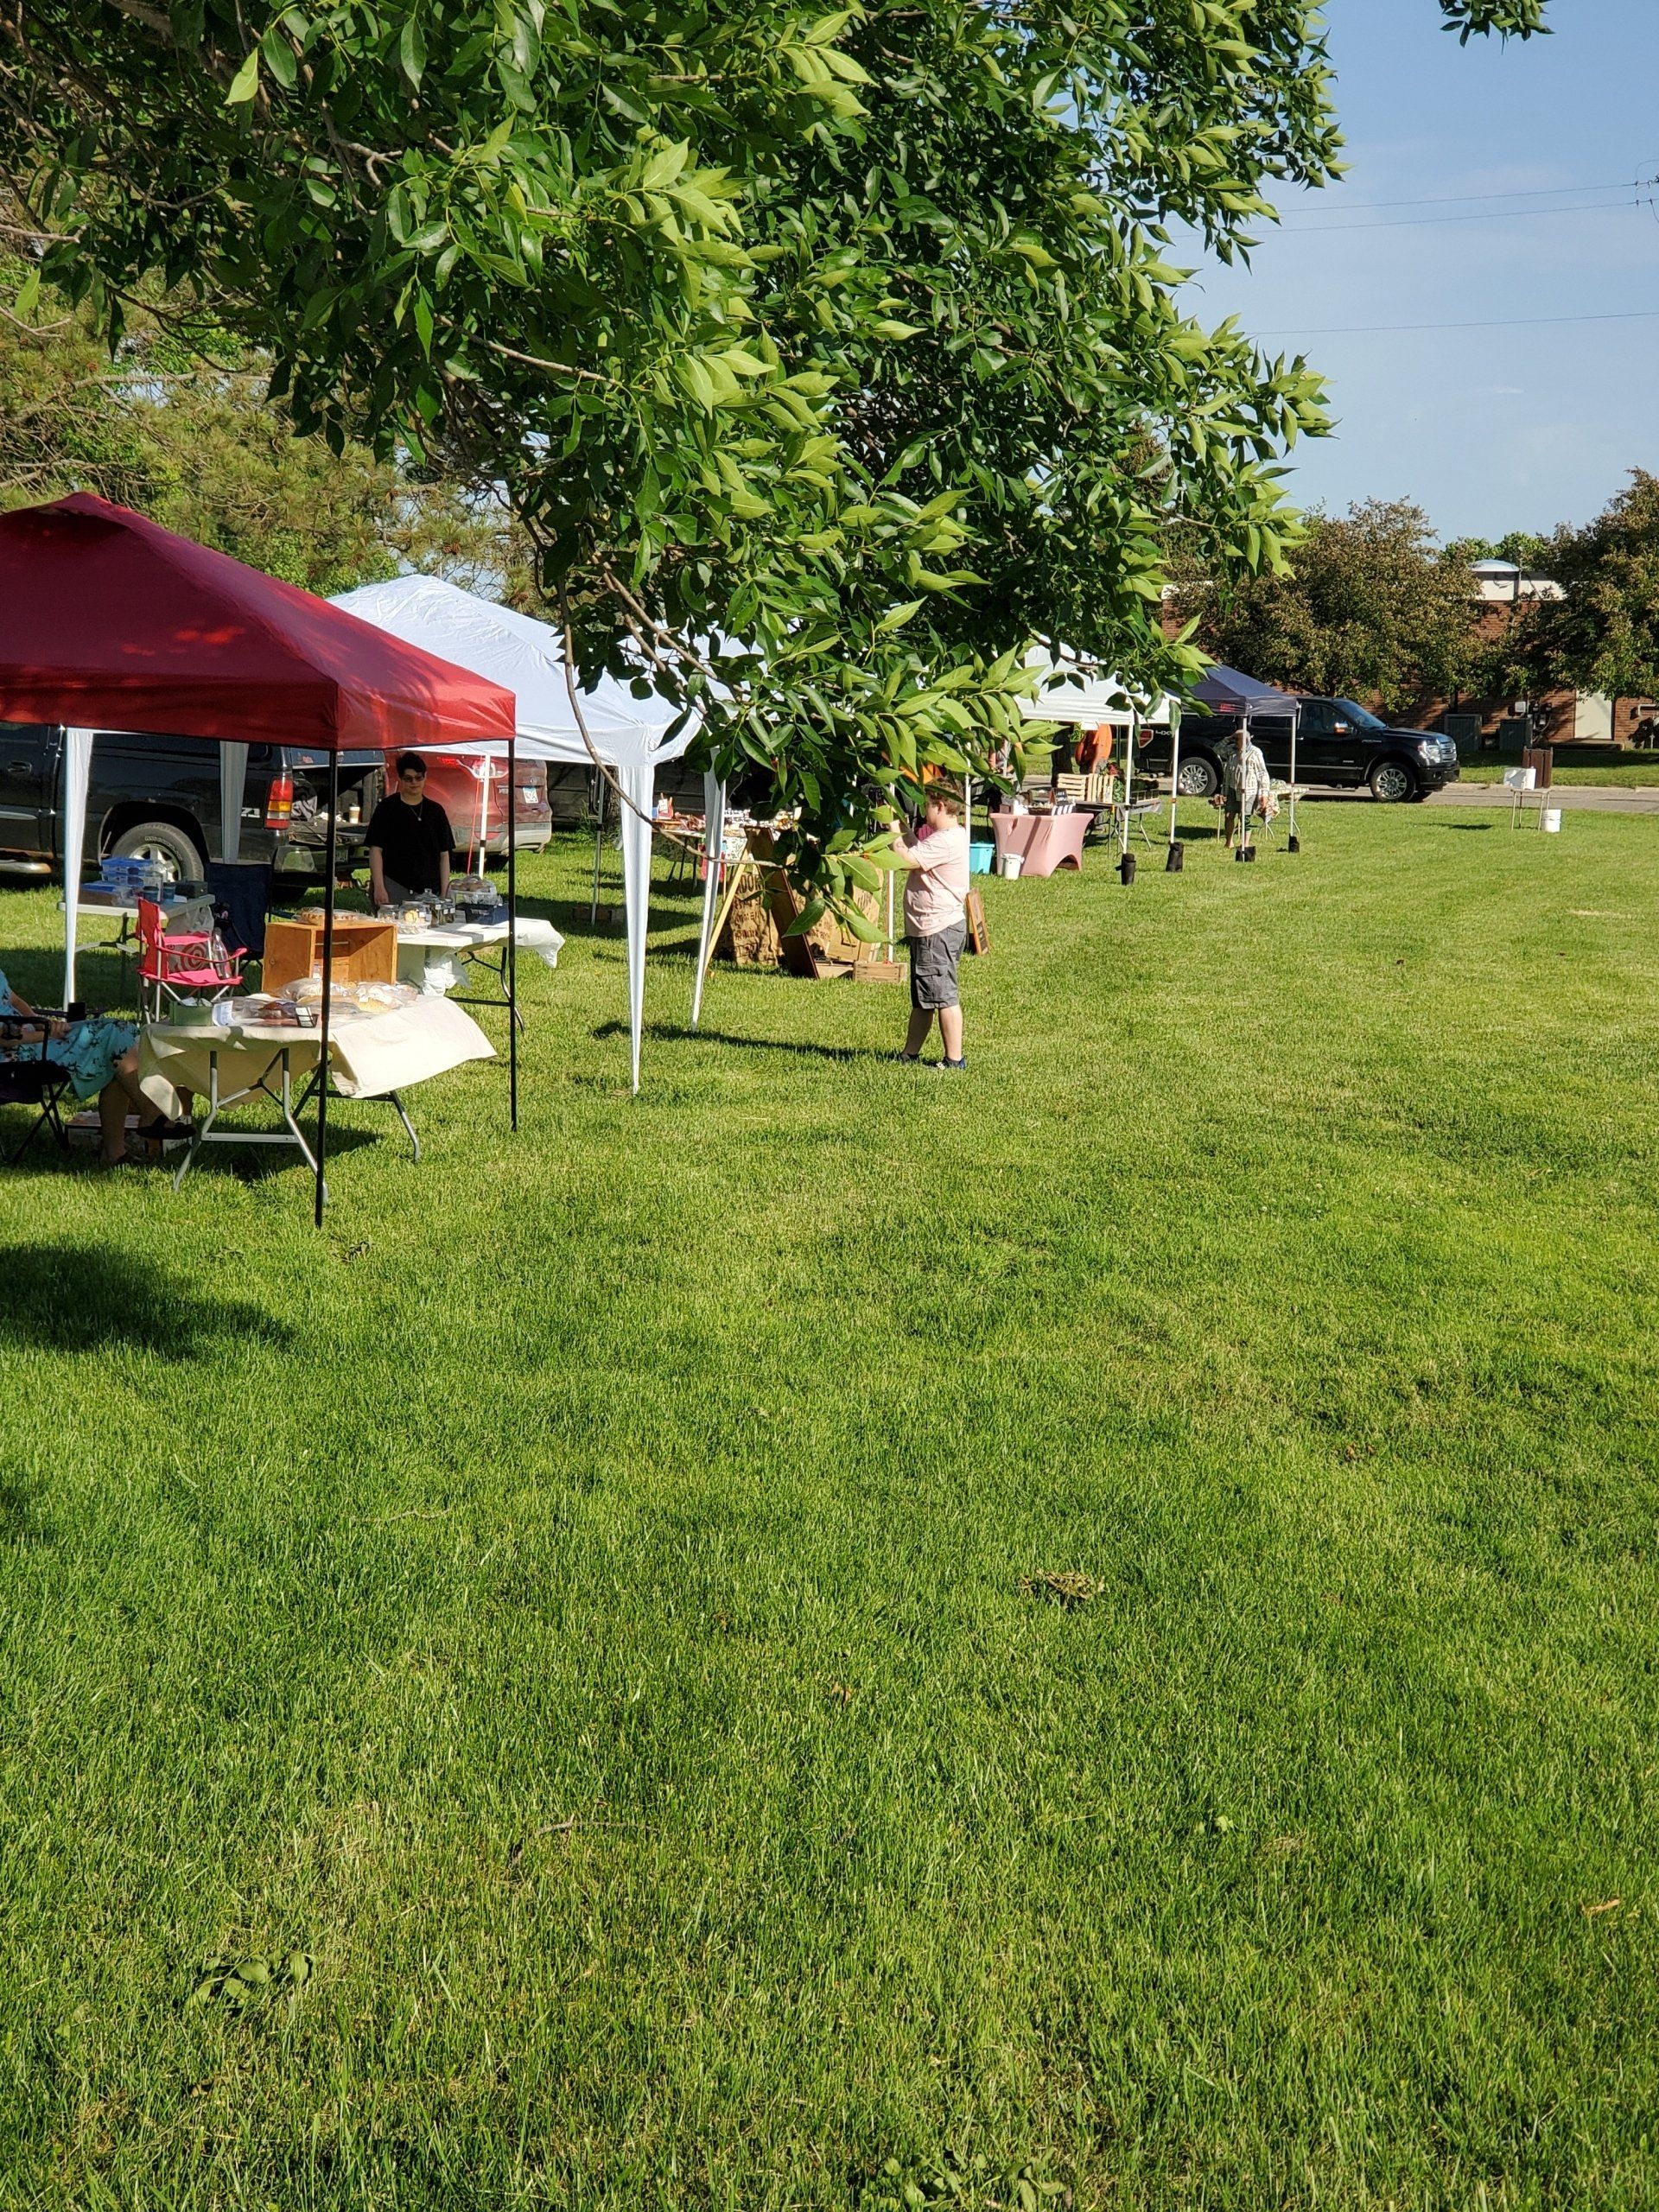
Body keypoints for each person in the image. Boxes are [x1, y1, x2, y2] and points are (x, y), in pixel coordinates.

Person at [0, 968, 189, 1166]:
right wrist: (46, 1034)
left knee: (121, 1036)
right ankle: (147, 1114)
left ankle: (119, 1147)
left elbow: (13, 999)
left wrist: (43, 1023)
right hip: (15, 1057)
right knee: (115, 1039)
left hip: (40, 1040)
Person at [888, 783, 971, 1070]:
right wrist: (900, 825)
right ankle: (909, 1055)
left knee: (943, 996)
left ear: (939, 806)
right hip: (931, 929)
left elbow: (906, 860)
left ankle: (954, 1059)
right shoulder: (949, 836)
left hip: (936, 928)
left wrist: (889, 827)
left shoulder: (946, 839)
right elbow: (916, 849)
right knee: (924, 997)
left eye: (927, 805)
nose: (924, 811)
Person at [365, 753, 455, 906]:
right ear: (400, 779)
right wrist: (379, 887)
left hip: (429, 890)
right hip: (395, 885)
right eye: (408, 778)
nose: (414, 782)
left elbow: (444, 854)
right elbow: (375, 850)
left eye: (418, 777)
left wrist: (445, 890)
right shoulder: (387, 808)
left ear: (425, 777)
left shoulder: (436, 811)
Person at [1217, 722, 1275, 848]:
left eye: (1237, 739)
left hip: (1249, 790)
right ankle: (1229, 842)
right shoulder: (1232, 750)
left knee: (1245, 817)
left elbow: (1262, 774)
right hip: (1233, 788)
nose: (1235, 742)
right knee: (1229, 815)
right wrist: (1229, 737)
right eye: (1235, 739)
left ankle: (1245, 844)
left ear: (1245, 740)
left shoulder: (1255, 753)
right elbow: (1217, 749)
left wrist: (1264, 794)